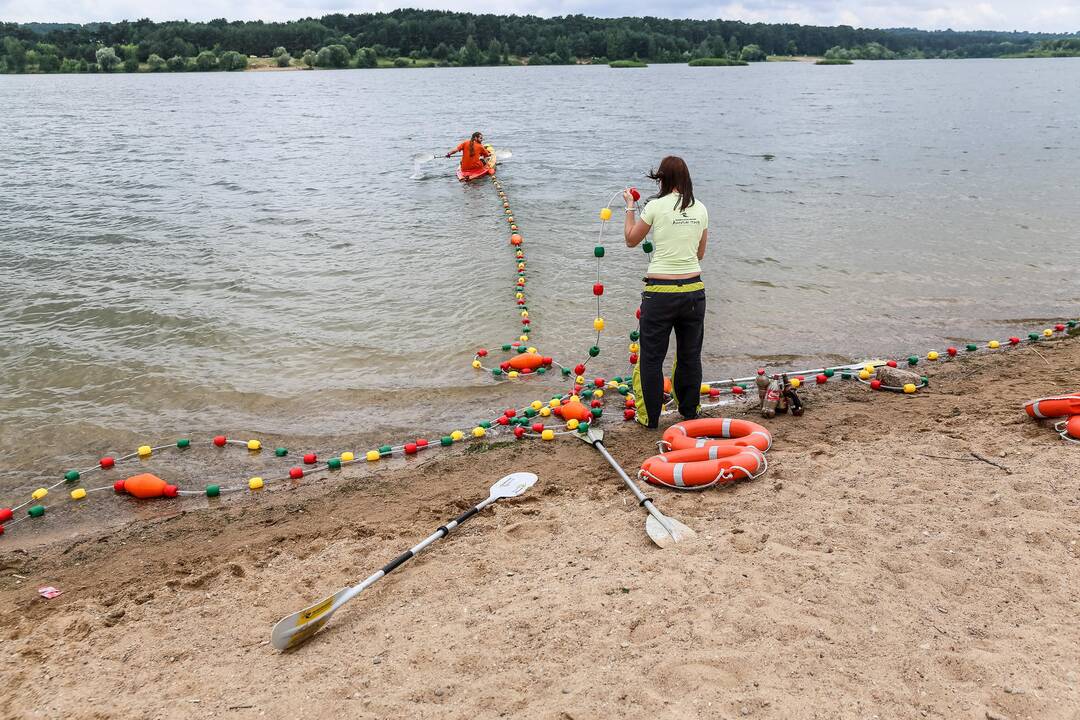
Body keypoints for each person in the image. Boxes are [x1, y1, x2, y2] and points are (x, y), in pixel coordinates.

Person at [623, 156, 709, 428]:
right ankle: (689, 411)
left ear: (661, 179)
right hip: (694, 291)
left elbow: (631, 240)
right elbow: (700, 253)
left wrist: (628, 208)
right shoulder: (700, 208)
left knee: (651, 357)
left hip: (660, 293)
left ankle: (649, 418)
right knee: (689, 354)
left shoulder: (654, 207)